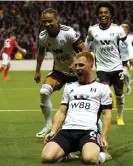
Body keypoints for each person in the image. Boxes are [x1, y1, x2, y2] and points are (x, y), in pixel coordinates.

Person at [41, 52, 112, 165]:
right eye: (76, 65)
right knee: (46, 158)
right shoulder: (69, 87)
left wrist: (103, 137)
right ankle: (67, 154)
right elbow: (61, 112)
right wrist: (53, 131)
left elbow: (106, 114)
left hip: (88, 131)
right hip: (67, 131)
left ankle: (103, 155)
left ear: (91, 66)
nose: (77, 68)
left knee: (90, 159)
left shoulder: (102, 88)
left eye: (81, 65)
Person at [34, 8, 88, 138]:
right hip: (59, 71)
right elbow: (41, 53)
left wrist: (77, 65)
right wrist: (37, 71)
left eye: (50, 21)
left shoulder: (68, 32)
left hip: (76, 73)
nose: (47, 24)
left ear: (57, 20)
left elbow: (84, 50)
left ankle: (93, 127)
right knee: (44, 92)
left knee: (83, 102)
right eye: (44, 22)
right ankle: (48, 124)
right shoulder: (43, 36)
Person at [85, 2, 133, 125]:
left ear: (110, 15)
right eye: (100, 13)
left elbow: (128, 43)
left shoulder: (117, 29)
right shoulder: (93, 30)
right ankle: (101, 119)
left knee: (119, 94)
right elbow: (87, 43)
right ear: (98, 15)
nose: (103, 15)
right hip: (102, 68)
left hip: (117, 67)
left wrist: (131, 57)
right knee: (104, 93)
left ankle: (119, 117)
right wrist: (84, 56)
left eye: (105, 12)